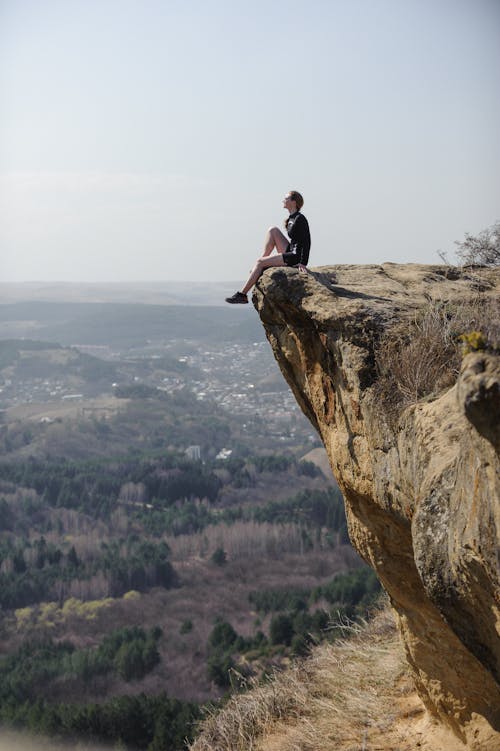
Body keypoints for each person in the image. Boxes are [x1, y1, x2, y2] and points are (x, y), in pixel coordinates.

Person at [225, 190, 311, 304]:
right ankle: (262, 263)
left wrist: (303, 262)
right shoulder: (291, 217)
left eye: (286, 198)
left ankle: (242, 295)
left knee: (260, 262)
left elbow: (307, 241)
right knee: (273, 230)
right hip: (291, 249)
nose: (283, 200)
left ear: (294, 202)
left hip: (295, 256)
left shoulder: (300, 219)